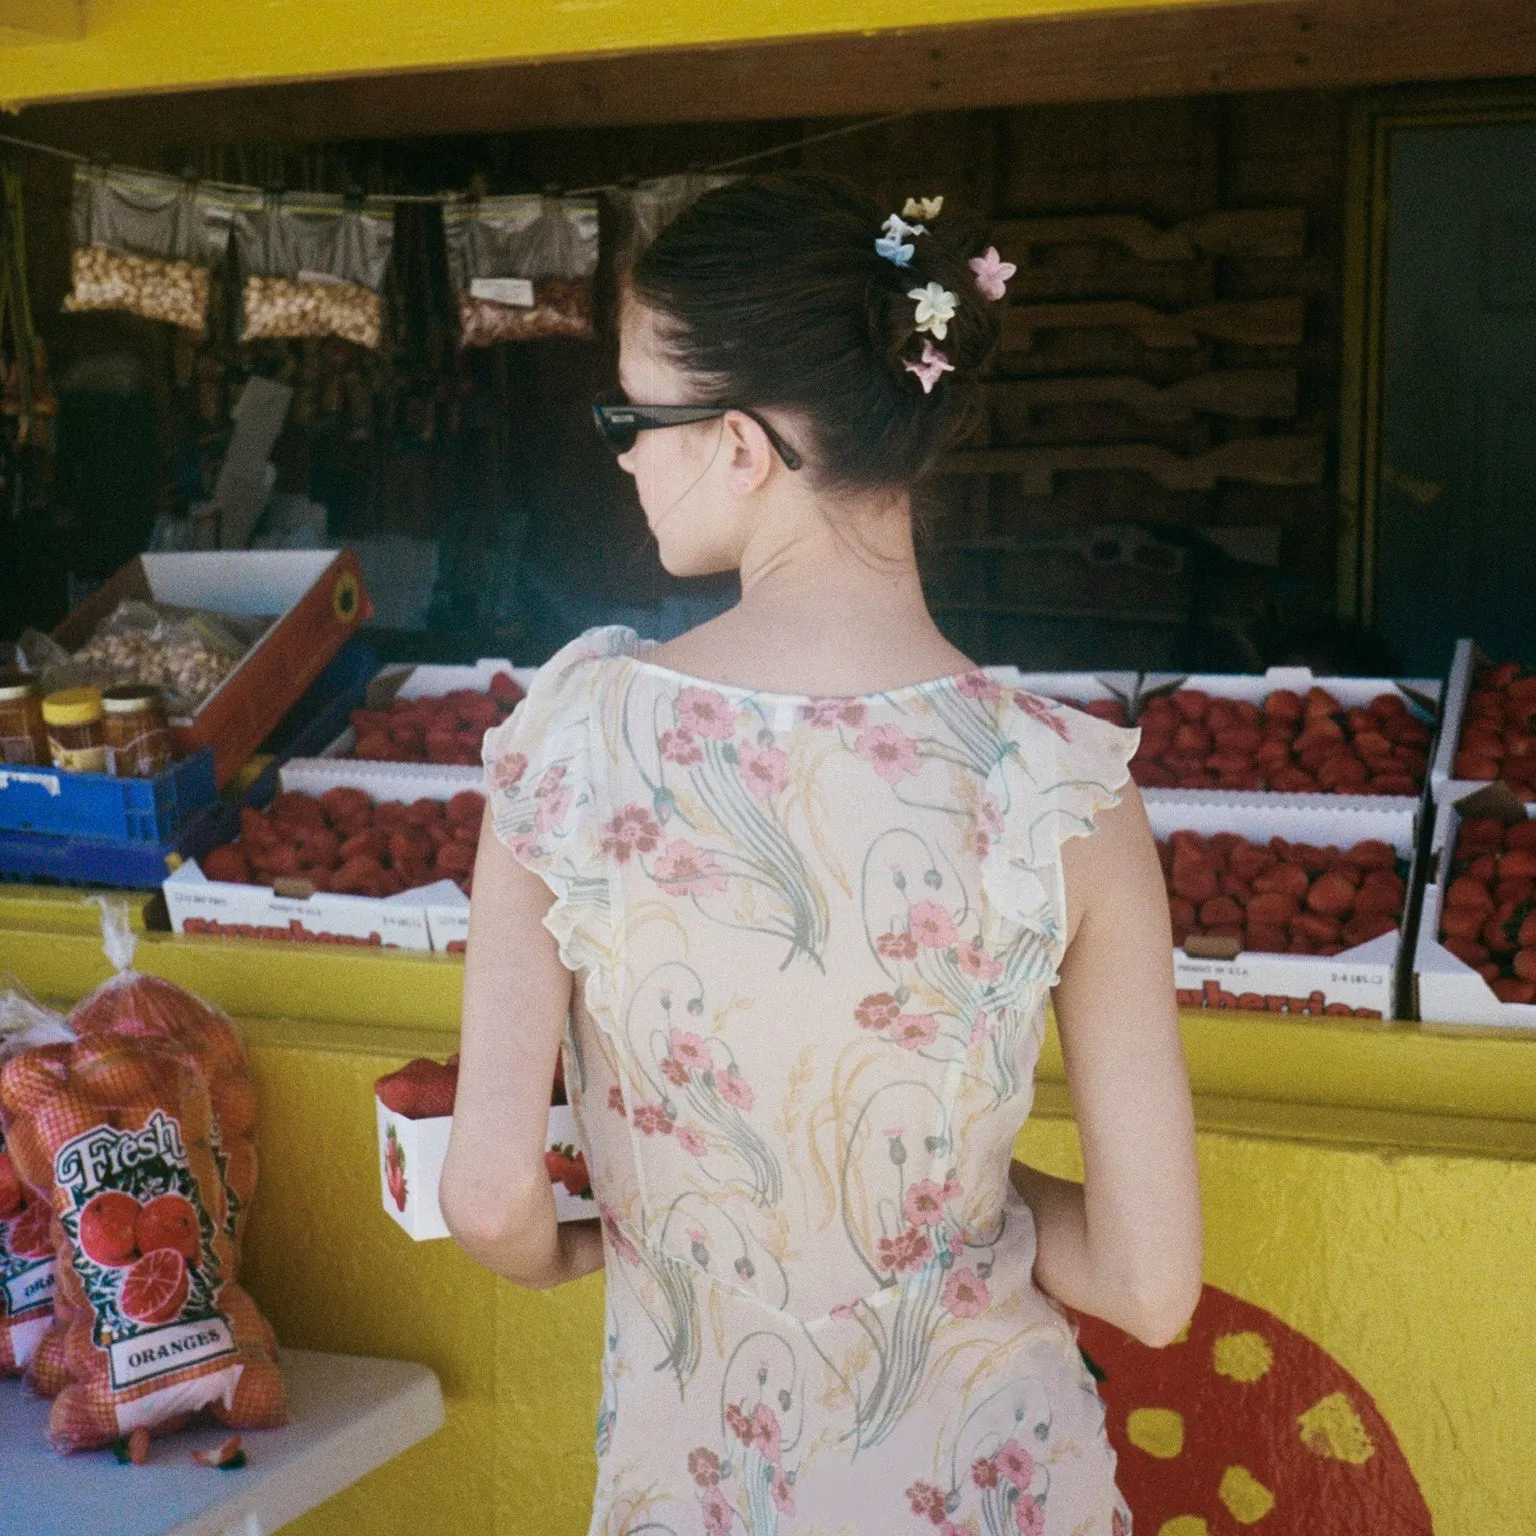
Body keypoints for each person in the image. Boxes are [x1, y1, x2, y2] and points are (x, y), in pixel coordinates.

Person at [442, 174, 1201, 1536]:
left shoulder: (568, 746)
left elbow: (490, 1193)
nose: (621, 455)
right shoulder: (1067, 790)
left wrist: (586, 1240)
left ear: (740, 446)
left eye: (633, 418)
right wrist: (941, 1183)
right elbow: (1151, 1286)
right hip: (1001, 1492)